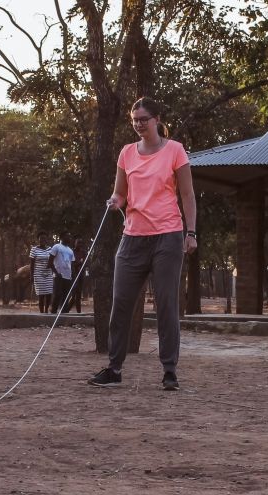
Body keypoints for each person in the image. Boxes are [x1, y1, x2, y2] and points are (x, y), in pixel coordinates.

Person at [88, 97, 198, 391]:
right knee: (121, 303)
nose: (138, 124)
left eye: (144, 119)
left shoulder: (174, 150)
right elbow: (120, 193)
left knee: (166, 305)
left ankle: (169, 371)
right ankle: (114, 368)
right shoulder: (126, 153)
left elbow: (187, 195)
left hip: (168, 236)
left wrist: (191, 233)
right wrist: (115, 202)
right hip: (133, 237)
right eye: (135, 119)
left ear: (156, 119)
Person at [50, 233, 76, 312]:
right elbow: (50, 262)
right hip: (58, 276)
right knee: (57, 294)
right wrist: (56, 273)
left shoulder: (70, 250)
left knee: (66, 296)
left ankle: (63, 313)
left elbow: (72, 264)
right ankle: (53, 311)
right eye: (67, 236)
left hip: (68, 276)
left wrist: (73, 276)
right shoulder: (56, 247)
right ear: (61, 237)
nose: (69, 238)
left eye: (69, 236)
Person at [30, 232, 54, 313]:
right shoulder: (34, 249)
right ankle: (41, 312)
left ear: (46, 239)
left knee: (49, 294)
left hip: (48, 274)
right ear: (38, 239)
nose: (42, 240)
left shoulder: (50, 249)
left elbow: (52, 261)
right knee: (41, 294)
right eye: (41, 238)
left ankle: (46, 311)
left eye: (44, 238)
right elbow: (32, 264)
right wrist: (31, 275)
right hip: (38, 274)